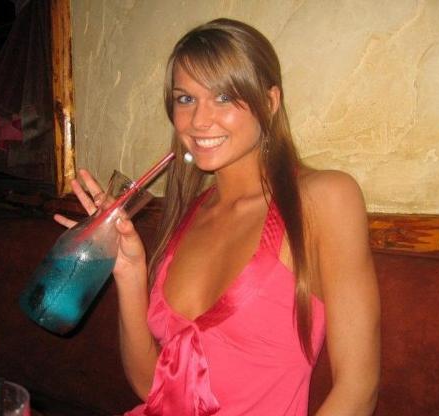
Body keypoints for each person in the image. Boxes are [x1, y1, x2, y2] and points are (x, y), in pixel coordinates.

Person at [56, 18, 380, 416]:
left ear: (270, 102)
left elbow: (358, 391)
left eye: (223, 97)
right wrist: (129, 272)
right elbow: (151, 387)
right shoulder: (188, 213)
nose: (198, 120)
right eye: (185, 99)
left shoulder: (324, 198)